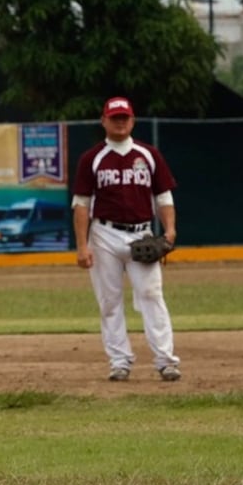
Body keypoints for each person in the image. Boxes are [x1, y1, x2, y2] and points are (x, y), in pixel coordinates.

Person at [71, 96, 181, 382]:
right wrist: (82, 246)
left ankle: (166, 360)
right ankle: (119, 361)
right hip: (104, 233)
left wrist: (169, 230)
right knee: (109, 301)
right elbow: (81, 204)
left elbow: (164, 197)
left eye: (125, 117)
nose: (120, 122)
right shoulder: (92, 158)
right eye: (115, 117)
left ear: (132, 120)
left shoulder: (148, 154)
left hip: (142, 233)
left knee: (151, 294)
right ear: (104, 120)